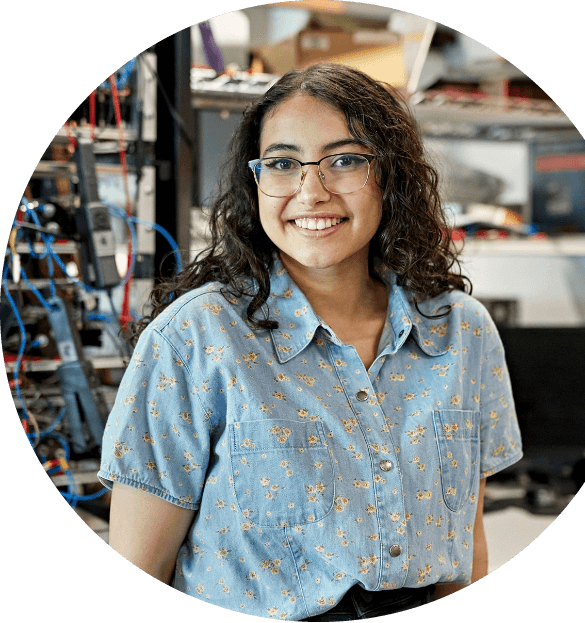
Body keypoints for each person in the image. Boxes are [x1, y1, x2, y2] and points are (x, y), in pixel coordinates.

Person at [98, 62, 523, 620]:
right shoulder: (193, 340)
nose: (310, 190)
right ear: (257, 182)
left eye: (344, 160)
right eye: (282, 163)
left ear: (390, 175)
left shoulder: (462, 332)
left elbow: (466, 553)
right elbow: (140, 562)